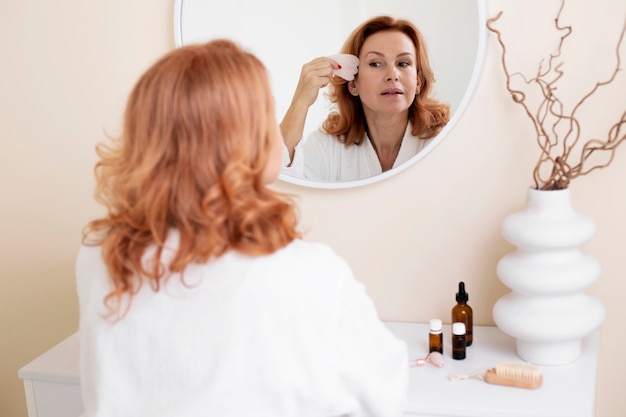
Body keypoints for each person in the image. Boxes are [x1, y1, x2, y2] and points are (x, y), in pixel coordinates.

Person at [76, 39, 408, 417]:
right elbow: (384, 393)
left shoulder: (101, 253)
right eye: (266, 114)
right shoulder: (306, 275)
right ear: (242, 141)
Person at [281, 15, 450, 181]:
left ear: (418, 82)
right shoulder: (327, 146)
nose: (392, 75)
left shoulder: (444, 140)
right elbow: (280, 184)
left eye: (403, 63)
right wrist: (300, 102)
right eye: (376, 63)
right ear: (353, 84)